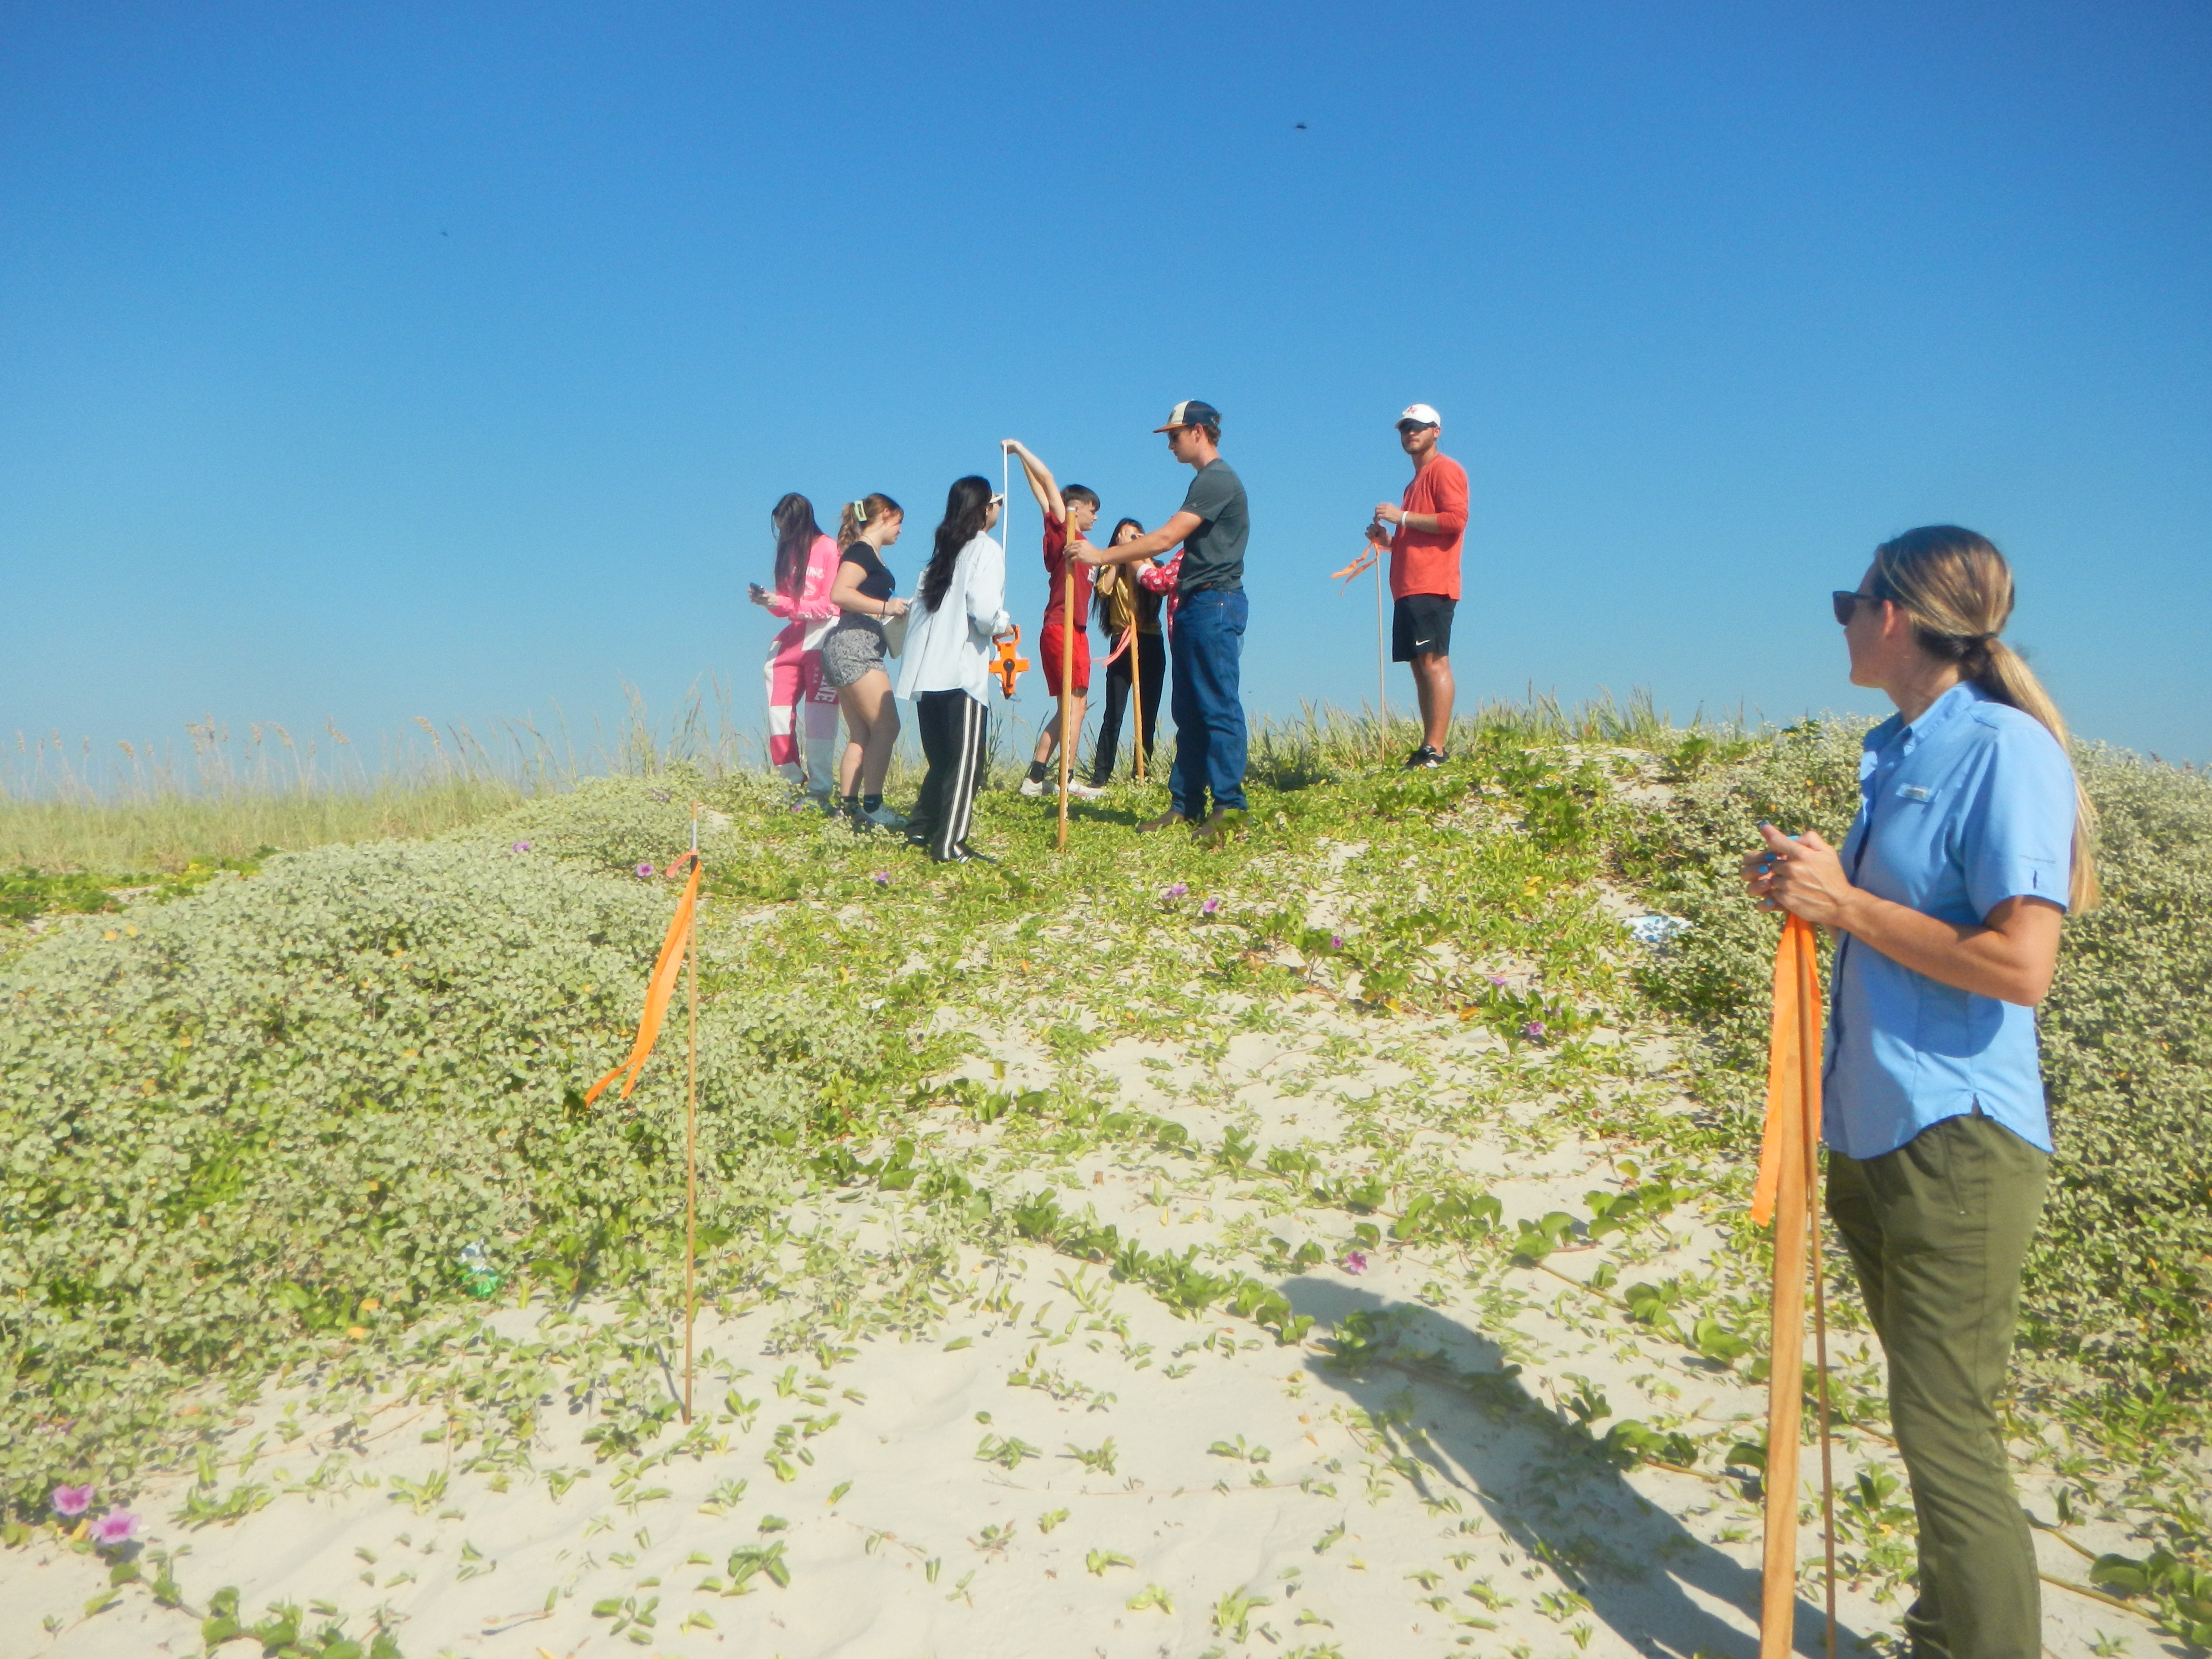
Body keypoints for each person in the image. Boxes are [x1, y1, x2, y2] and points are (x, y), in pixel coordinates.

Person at [1743, 526, 2098, 1659]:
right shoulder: (1897, 745)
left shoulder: (2003, 749)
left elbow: (2018, 964)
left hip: (1958, 1134)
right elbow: (1889, 919)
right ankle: (1946, 1632)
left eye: (1849, 599)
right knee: (1928, 1416)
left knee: (1946, 1430)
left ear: (1891, 614)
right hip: (1876, 1125)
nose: (1841, 618)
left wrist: (1845, 907)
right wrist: (1812, 891)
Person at [1073, 399, 1250, 848]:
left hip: (1215, 604)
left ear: (1197, 432)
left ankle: (1230, 806)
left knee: (1217, 705)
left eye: (1173, 435)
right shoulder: (1205, 482)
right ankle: (1185, 804)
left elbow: (1168, 537)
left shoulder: (1217, 479)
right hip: (1195, 606)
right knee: (1188, 710)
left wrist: (1103, 555)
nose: (1169, 444)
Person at [894, 476, 1013, 863]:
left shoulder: (938, 558)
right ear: (983, 509)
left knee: (943, 760)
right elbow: (983, 614)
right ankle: (950, 844)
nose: (999, 507)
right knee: (967, 764)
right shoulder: (985, 550)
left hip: (925, 676)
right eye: (995, 501)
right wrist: (1005, 624)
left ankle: (920, 829)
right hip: (960, 675)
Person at [1002, 439, 1107, 802]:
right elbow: (1047, 482)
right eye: (1094, 510)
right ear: (1076, 508)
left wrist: (1022, 468)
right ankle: (1068, 778)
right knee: (1076, 706)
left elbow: (1041, 494)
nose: (1097, 517)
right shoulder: (1067, 529)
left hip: (1070, 628)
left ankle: (1035, 777)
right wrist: (1019, 451)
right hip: (1063, 627)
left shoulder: (1075, 539)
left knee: (1071, 707)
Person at [1365, 403, 1469, 768]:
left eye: (1419, 427)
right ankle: (1428, 745)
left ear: (1436, 431)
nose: (1411, 432)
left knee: (1433, 661)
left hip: (1433, 584)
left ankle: (1437, 749)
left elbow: (1456, 520)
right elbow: (1421, 536)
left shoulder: (1445, 469)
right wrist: (1389, 540)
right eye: (1406, 427)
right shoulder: (1416, 482)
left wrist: (1401, 516)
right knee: (1418, 665)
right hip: (1409, 587)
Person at [822, 493, 911, 832]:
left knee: (862, 733)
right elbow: (840, 593)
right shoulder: (862, 552)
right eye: (899, 522)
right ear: (885, 516)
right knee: (887, 727)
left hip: (843, 648)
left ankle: (849, 808)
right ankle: (873, 804)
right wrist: (888, 608)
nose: (901, 531)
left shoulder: (866, 553)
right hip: (856, 647)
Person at [748, 493, 843, 807]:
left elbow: (831, 604)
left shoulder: (829, 548)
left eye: (786, 528)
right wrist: (769, 602)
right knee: (778, 710)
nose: (783, 536)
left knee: (819, 716)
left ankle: (819, 791)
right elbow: (787, 605)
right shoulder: (787, 553)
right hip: (793, 637)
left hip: (823, 638)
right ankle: (789, 783)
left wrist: (785, 603)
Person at [1088, 518, 1166, 787]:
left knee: (1147, 714)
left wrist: (1140, 553)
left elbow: (1159, 588)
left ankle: (1142, 771)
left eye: (1136, 537)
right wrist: (1121, 557)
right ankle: (1101, 777)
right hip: (1123, 641)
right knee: (1115, 713)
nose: (1130, 541)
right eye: (1125, 537)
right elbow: (1103, 590)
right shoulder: (1111, 567)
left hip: (1150, 639)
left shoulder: (1152, 566)